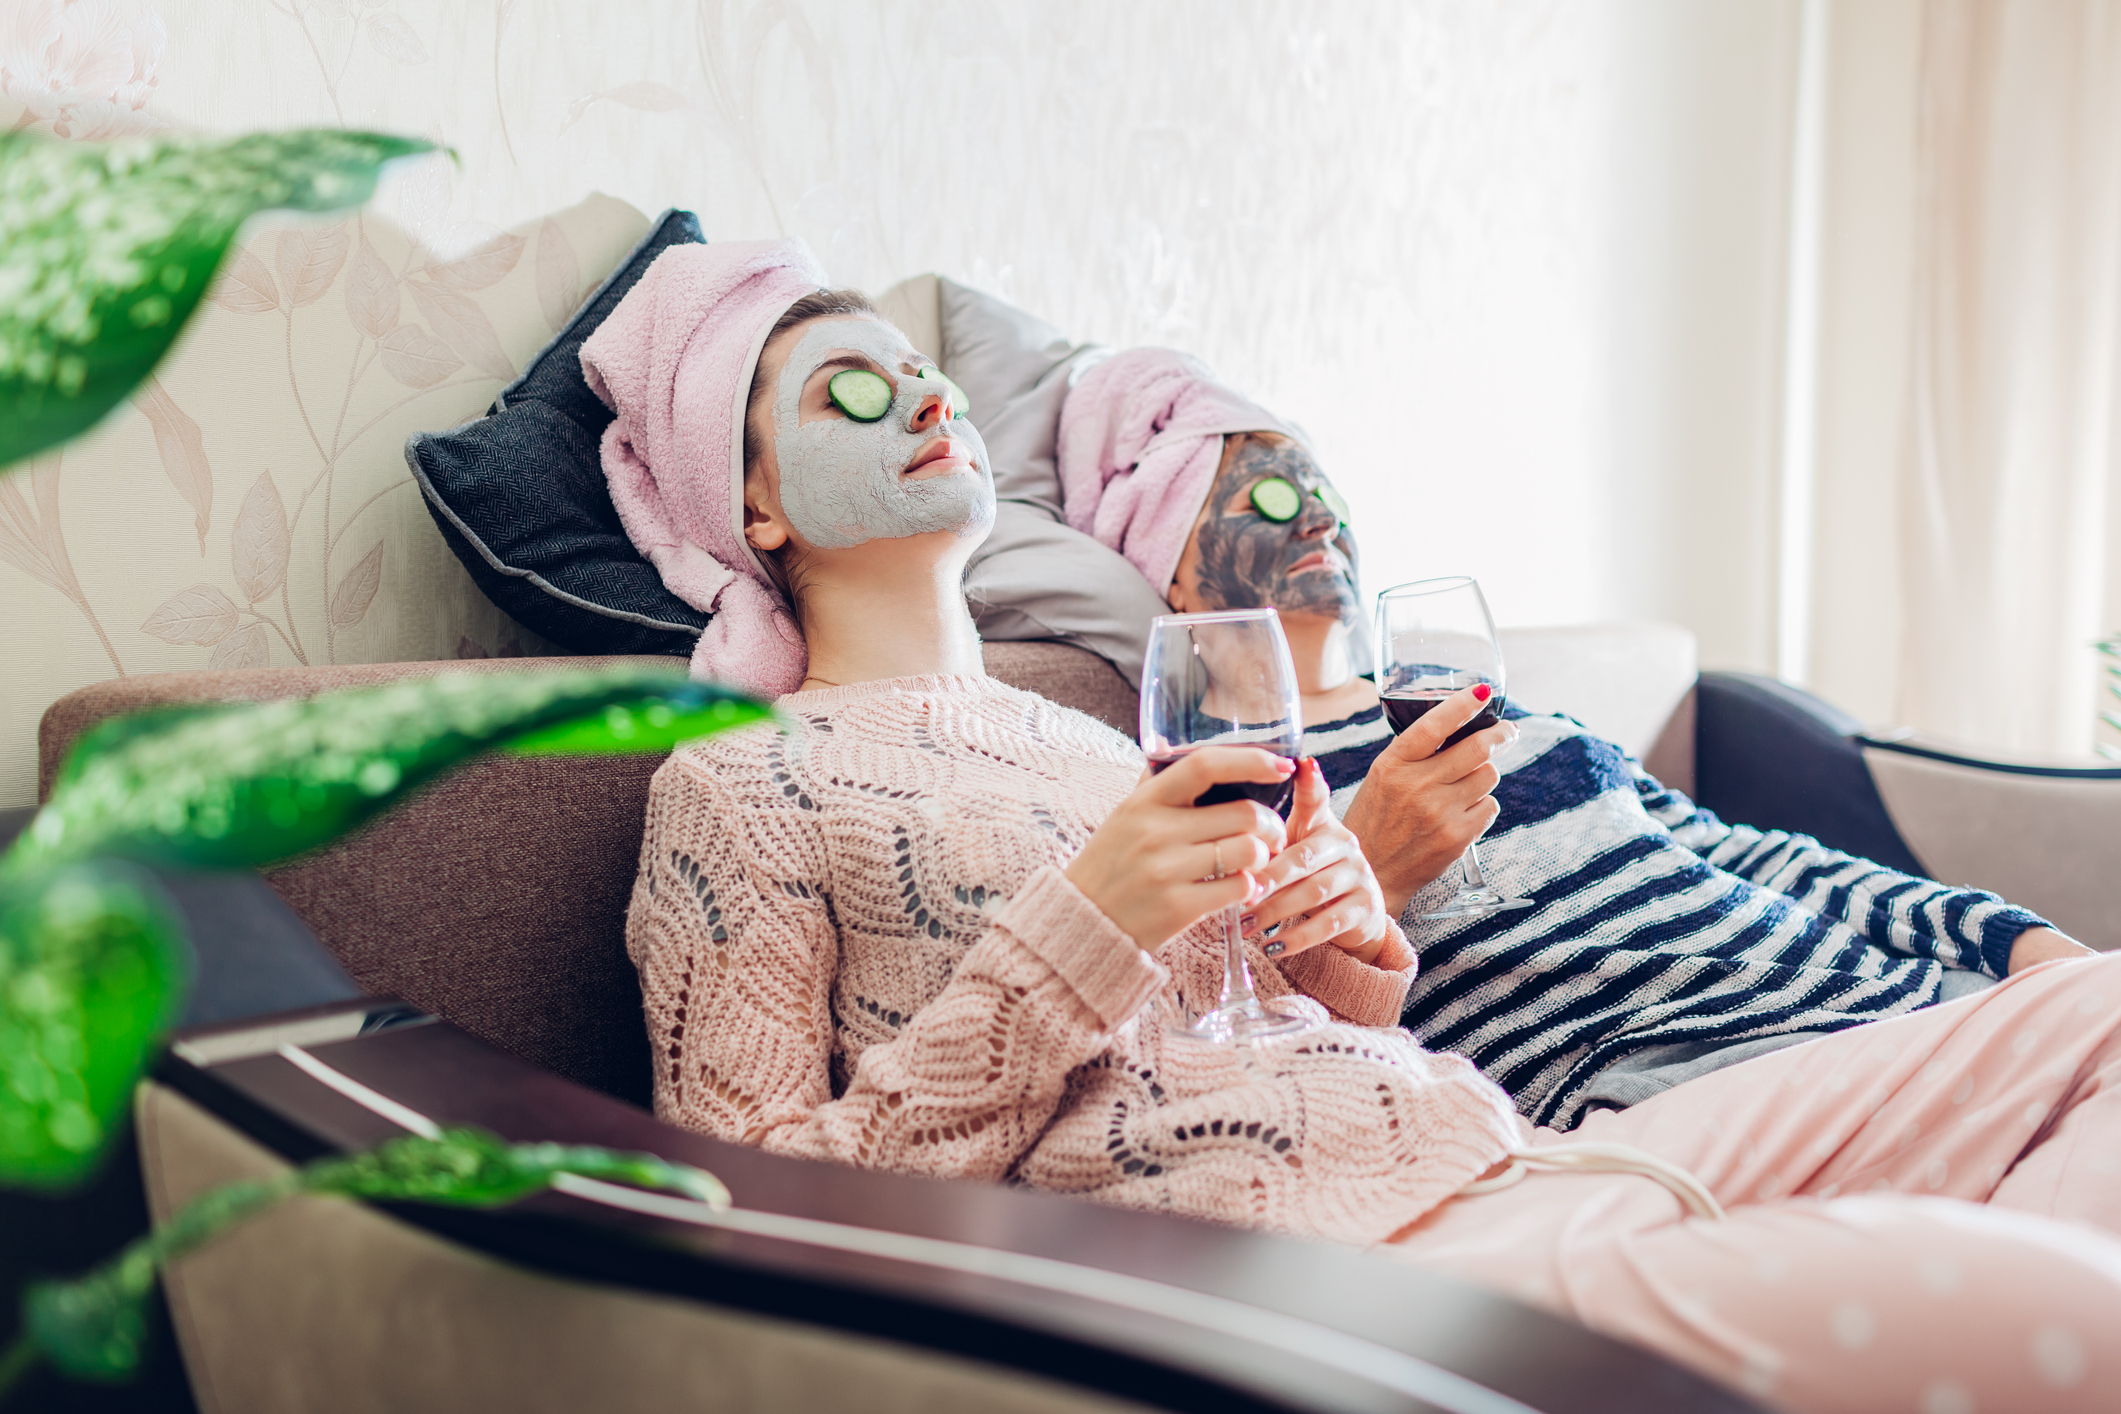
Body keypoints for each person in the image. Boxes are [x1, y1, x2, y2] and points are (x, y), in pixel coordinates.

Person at [588, 241, 2121, 1412]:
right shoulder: (735, 786)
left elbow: (1240, 1023)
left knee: (2095, 1011)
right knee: (2071, 1317)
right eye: (848, 390)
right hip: (1339, 1266)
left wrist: (1341, 955)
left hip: (1502, 1148)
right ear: (755, 509)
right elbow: (759, 1222)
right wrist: (1086, 926)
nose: (922, 394)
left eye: (921, 369)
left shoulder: (1096, 735)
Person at [1050, 348, 2097, 1129]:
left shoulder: (1528, 725)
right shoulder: (1233, 806)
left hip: (1917, 1012)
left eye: (1324, 487)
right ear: (1174, 573)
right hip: (1708, 1097)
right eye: (1270, 494)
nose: (1316, 514)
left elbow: (1756, 857)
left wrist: (2014, 944)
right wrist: (1369, 867)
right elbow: (1239, 1048)